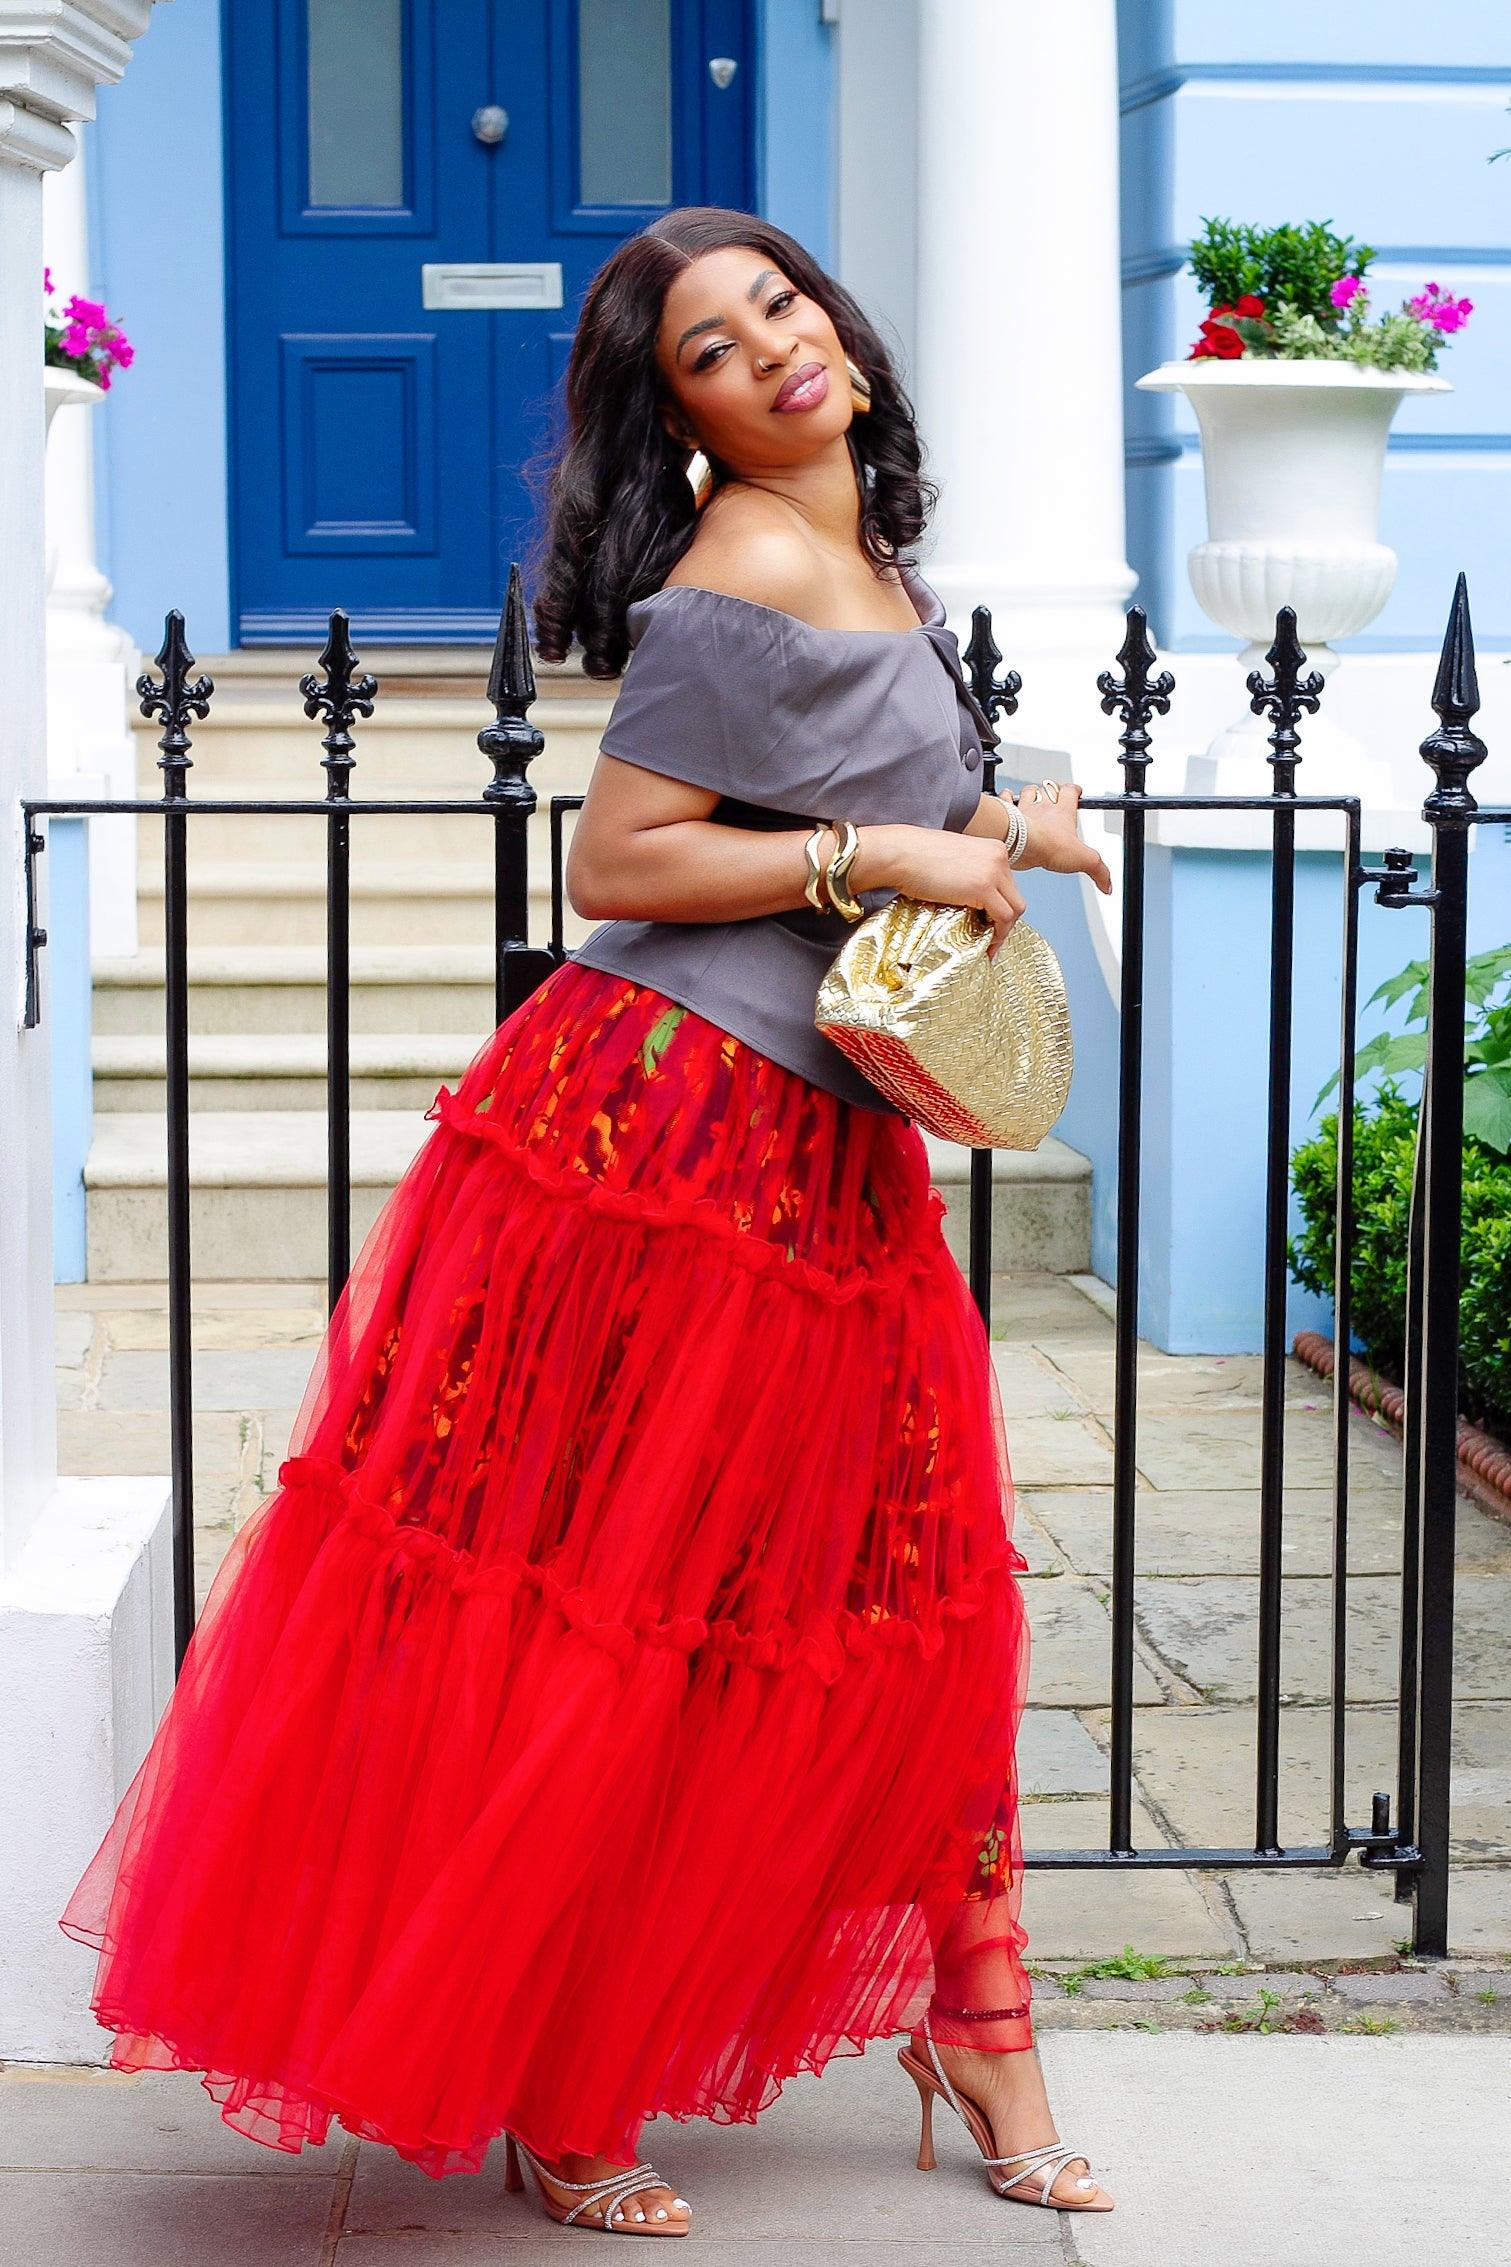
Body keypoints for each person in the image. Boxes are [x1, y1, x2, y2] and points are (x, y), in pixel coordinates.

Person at [58, 205, 1117, 2234]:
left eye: (782, 305)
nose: (774, 349)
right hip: (672, 1147)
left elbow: (840, 783)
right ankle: (568, 2068)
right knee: (626, 1606)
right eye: (716, 349)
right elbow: (622, 860)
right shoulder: (741, 567)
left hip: (820, 1156)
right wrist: (882, 851)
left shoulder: (872, 555)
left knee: (914, 1587)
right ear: (684, 417)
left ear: (840, 326)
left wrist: (1000, 824)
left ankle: (980, 2021)